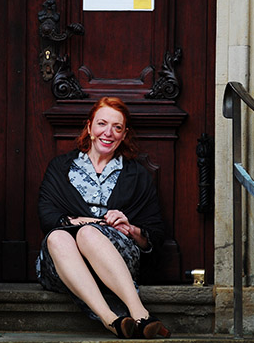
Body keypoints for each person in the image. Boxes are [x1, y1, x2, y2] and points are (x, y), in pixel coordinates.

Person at [36, 97, 170, 339]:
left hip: (117, 263)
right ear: (89, 127)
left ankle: (136, 314)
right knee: (57, 237)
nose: (108, 133)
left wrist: (130, 228)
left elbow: (155, 236)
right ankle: (110, 318)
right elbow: (48, 216)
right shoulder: (60, 167)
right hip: (63, 265)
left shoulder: (137, 175)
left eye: (117, 127)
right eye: (102, 124)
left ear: (124, 134)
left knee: (87, 234)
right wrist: (94, 223)